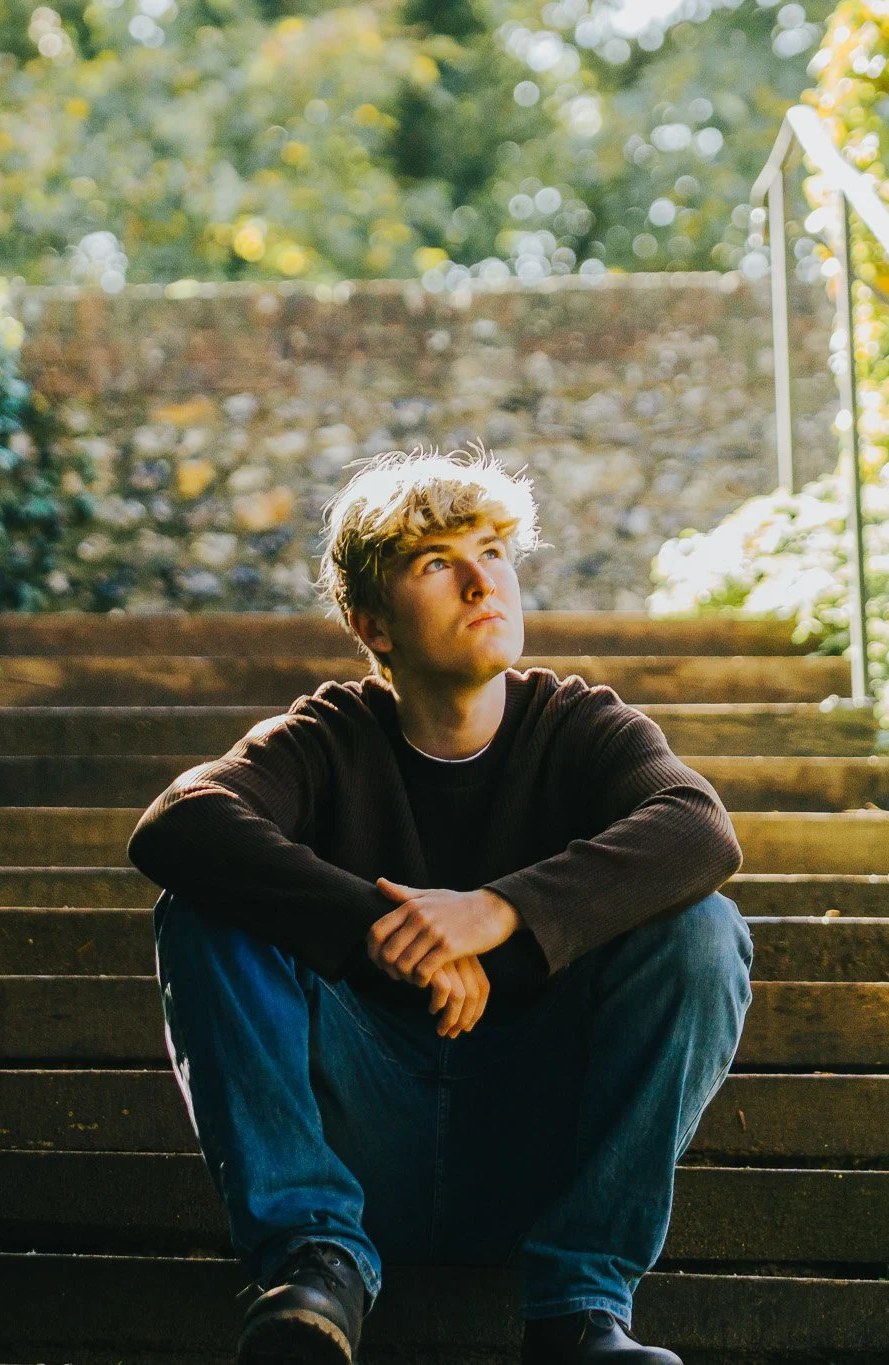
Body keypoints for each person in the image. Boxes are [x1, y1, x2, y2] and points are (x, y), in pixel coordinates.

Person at [127, 447, 751, 1365]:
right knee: (204, 909)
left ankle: (578, 1307)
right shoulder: (325, 738)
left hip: (534, 1134)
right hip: (364, 1130)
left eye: (494, 552)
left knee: (705, 931)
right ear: (370, 621)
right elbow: (179, 822)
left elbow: (699, 828)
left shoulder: (578, 725)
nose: (480, 581)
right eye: (436, 563)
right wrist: (385, 932)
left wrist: (495, 912)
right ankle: (314, 1260)